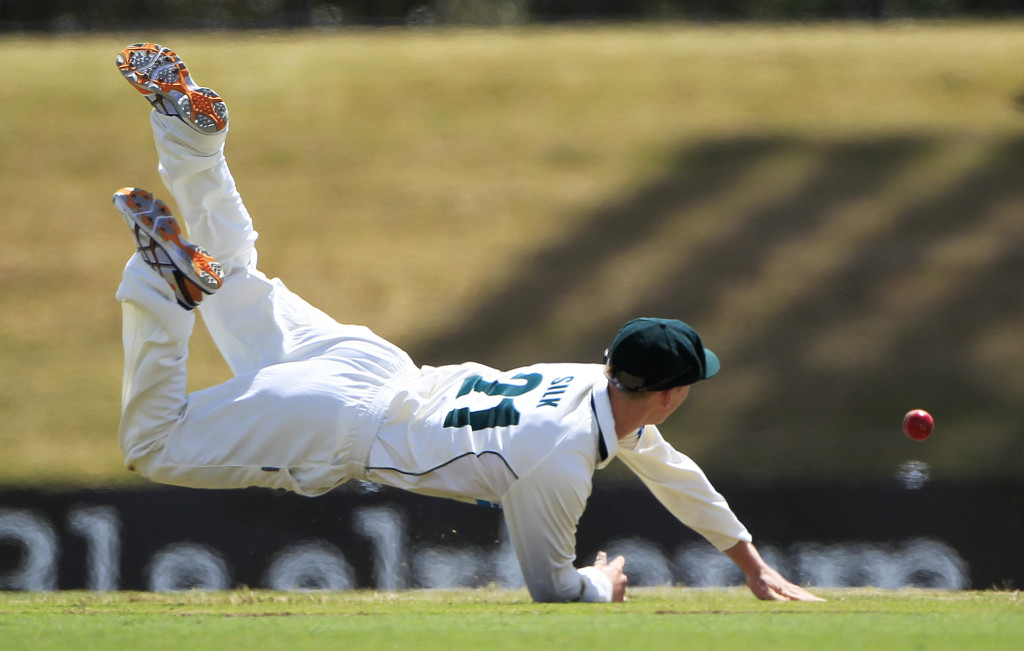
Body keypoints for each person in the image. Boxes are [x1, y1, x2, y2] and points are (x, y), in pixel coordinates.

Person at [112, 42, 822, 604]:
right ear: (669, 394)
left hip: (369, 365)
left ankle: (190, 137)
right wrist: (603, 583)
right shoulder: (560, 456)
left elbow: (668, 467)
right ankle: (162, 284)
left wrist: (749, 562)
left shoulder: (584, 384)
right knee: (153, 442)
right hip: (342, 421)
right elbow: (552, 587)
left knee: (233, 274)